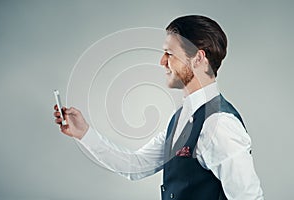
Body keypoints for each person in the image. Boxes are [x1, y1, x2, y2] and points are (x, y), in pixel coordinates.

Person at [54, 15, 264, 200]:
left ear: (198, 58)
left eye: (170, 54)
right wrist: (84, 133)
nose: (162, 61)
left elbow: (248, 197)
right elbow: (136, 165)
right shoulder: (181, 117)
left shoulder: (220, 124)